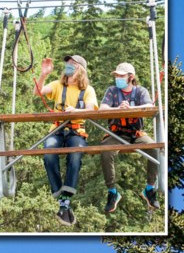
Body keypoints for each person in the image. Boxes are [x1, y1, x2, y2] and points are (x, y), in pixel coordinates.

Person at [35, 54, 99, 226]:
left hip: (76, 131)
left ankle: (66, 198)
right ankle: (59, 195)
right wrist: (44, 75)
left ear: (80, 69)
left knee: (76, 153)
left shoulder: (88, 90)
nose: (68, 66)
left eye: (73, 64)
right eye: (67, 63)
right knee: (49, 152)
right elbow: (38, 92)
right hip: (57, 130)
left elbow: (90, 109)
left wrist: (75, 112)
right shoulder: (57, 85)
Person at [98, 62, 159, 213]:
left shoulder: (140, 92)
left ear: (130, 77)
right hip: (116, 133)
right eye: (116, 75)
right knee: (105, 151)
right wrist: (117, 109)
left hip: (135, 133)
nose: (117, 78)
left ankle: (149, 188)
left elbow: (150, 107)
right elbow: (102, 108)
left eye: (121, 76)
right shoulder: (112, 91)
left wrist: (131, 109)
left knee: (154, 148)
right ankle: (112, 192)